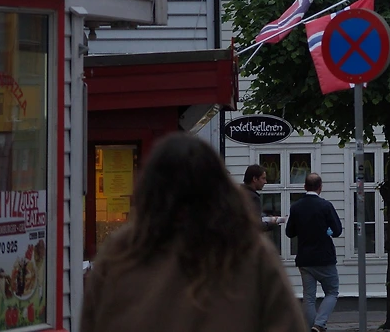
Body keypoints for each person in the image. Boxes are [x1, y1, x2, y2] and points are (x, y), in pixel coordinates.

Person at [80, 133, 304, 332]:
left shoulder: (120, 254)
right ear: (219, 189)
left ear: (149, 189)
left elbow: (91, 322)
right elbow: (286, 322)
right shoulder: (249, 251)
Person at [285, 173, 343, 332]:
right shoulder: (325, 206)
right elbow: (337, 230)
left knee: (309, 297)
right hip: (325, 257)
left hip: (305, 258)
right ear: (320, 187)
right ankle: (319, 323)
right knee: (332, 291)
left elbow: (289, 232)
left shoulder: (296, 207)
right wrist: (328, 231)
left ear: (305, 187)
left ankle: (312, 327)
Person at [242, 164, 284, 232]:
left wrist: (266, 218)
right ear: (255, 179)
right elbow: (256, 225)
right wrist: (272, 224)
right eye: (263, 178)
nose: (265, 182)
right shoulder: (253, 198)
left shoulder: (238, 193)